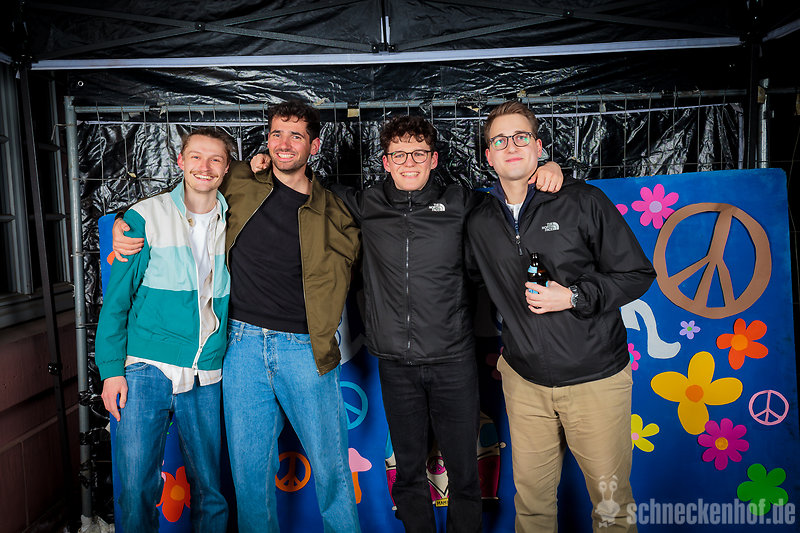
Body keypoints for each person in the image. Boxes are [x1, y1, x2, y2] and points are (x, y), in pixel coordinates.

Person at [250, 115, 563, 532]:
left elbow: (514, 200)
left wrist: (550, 167)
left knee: (465, 474)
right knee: (409, 473)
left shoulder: (461, 202)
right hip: (396, 363)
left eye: (418, 153)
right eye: (399, 155)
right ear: (385, 162)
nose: (409, 162)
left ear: (434, 159)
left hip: (454, 360)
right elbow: (304, 187)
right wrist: (263, 164)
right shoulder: (367, 204)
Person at [113, 101, 362, 533]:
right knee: (249, 480)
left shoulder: (335, 211)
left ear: (316, 145)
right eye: (277, 133)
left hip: (304, 349)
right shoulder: (240, 182)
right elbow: (185, 194)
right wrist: (123, 221)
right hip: (241, 347)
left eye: (297, 135)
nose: (285, 144)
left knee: (333, 471)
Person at [466, 101, 656, 532]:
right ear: (488, 155)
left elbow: (637, 274)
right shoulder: (479, 220)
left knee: (611, 507)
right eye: (500, 140)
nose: (511, 146)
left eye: (521, 137)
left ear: (538, 147)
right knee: (532, 507)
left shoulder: (582, 200)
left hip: (596, 379)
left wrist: (572, 296)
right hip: (524, 382)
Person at [97, 127, 234, 532]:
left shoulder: (236, 217)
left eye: (215, 159)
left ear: (227, 168)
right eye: (196, 157)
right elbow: (116, 301)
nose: (204, 167)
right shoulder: (143, 217)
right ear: (180, 161)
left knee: (211, 489)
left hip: (206, 369)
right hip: (146, 367)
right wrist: (110, 371)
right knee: (136, 488)